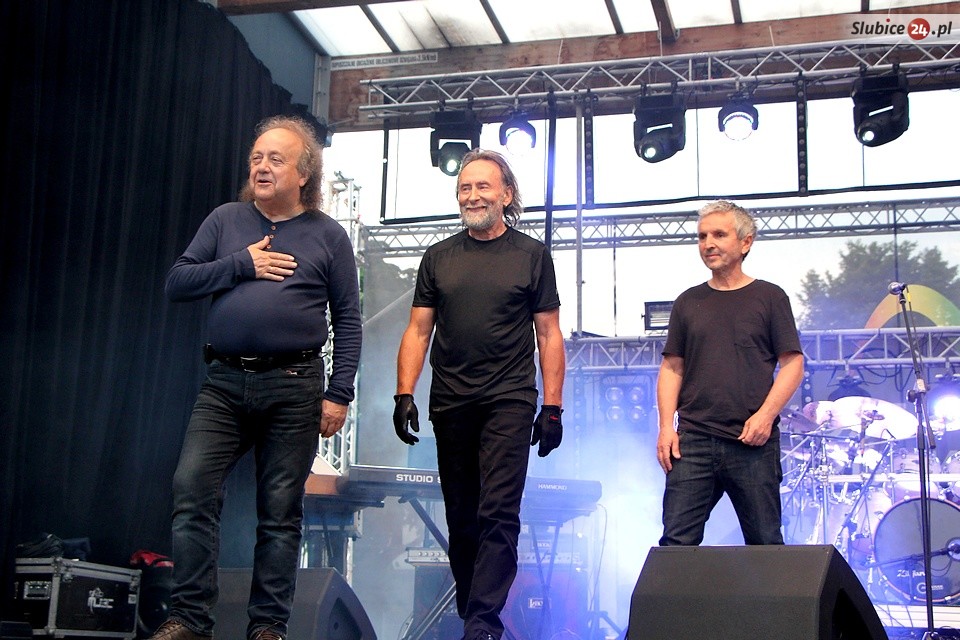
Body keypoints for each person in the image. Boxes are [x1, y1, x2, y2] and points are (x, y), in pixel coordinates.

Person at [153, 115, 362, 640]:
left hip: (294, 384)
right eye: (256, 158)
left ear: (304, 173)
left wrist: (339, 392)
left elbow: (348, 319)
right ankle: (190, 619)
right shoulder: (226, 220)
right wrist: (241, 265)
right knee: (191, 488)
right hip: (224, 383)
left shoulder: (329, 235)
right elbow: (178, 282)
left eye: (276, 159)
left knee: (280, 511)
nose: (262, 167)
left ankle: (268, 626)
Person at [392, 149, 566, 640]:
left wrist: (552, 406)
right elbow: (418, 330)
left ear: (506, 195)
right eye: (464, 188)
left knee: (499, 511)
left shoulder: (531, 255)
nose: (472, 196)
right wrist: (404, 394)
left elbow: (549, 333)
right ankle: (475, 611)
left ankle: (482, 622)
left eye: (483, 186)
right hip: (451, 401)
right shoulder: (438, 257)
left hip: (509, 398)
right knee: (462, 518)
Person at [655, 200, 803, 546]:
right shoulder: (688, 302)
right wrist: (665, 427)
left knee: (765, 544)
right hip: (693, 442)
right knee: (676, 545)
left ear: (745, 242)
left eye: (719, 235)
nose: (708, 244)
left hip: (752, 443)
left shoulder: (769, 297)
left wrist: (765, 416)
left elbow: (793, 363)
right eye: (702, 236)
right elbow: (672, 367)